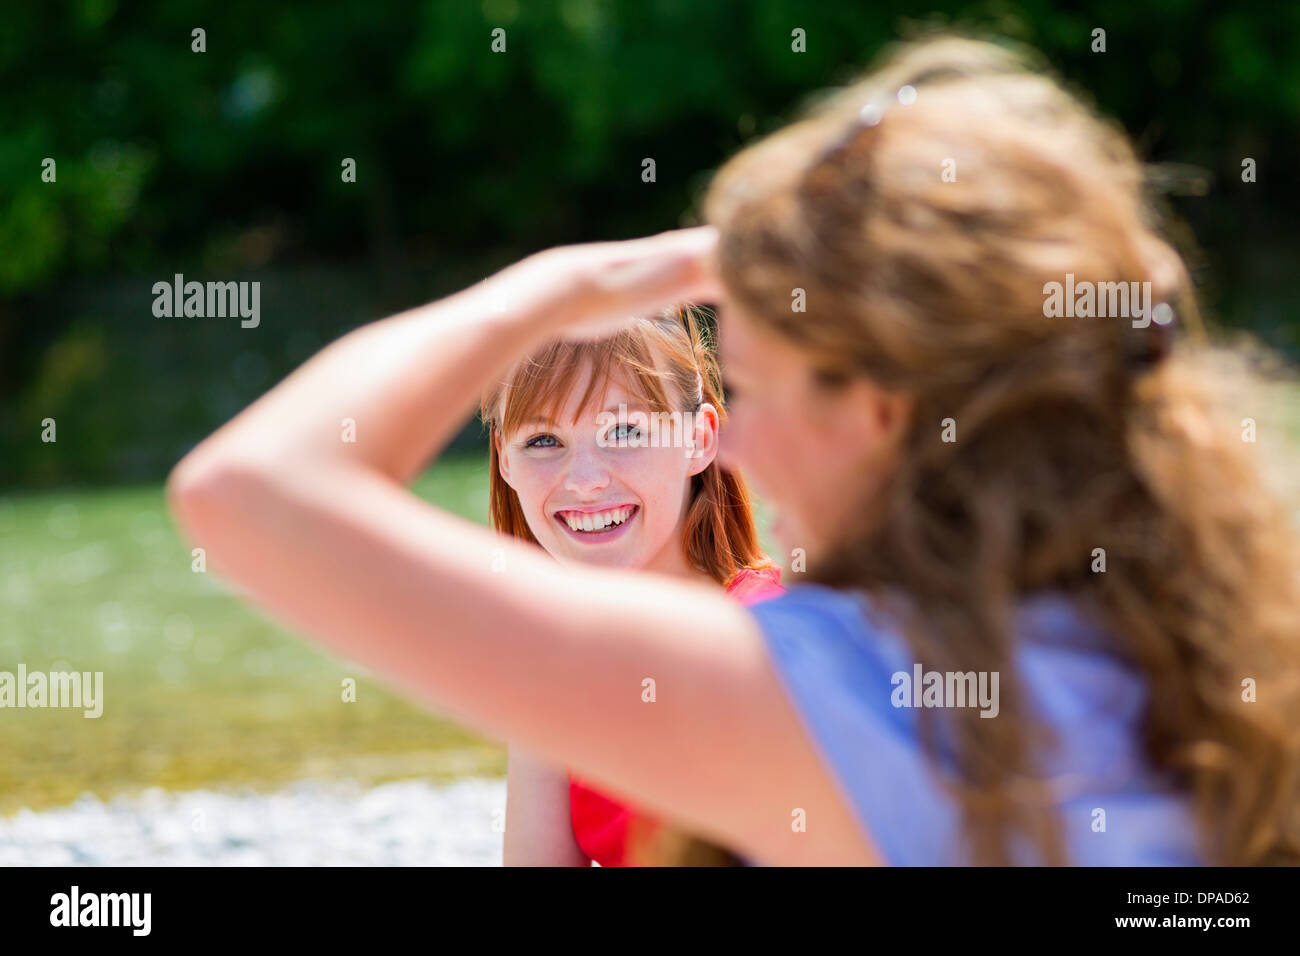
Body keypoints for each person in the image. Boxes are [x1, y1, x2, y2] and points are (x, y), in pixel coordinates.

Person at [167, 36, 1300, 865]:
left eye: (747, 389)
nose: (735, 438)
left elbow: (248, 489)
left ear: (882, 409)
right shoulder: (1226, 645)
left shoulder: (842, 698)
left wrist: (562, 286)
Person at [482, 305, 782, 866]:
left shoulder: (763, 637)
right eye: (544, 441)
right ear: (504, 460)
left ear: (701, 438)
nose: (586, 480)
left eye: (624, 431)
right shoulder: (551, 664)